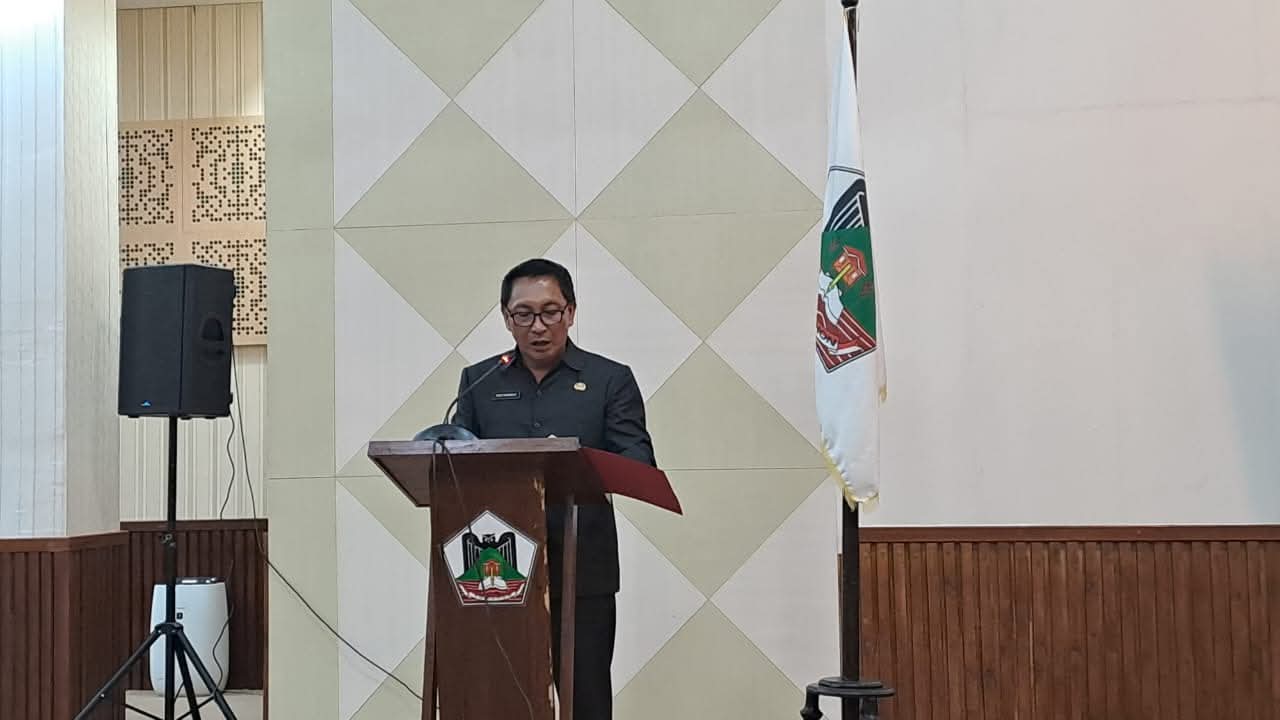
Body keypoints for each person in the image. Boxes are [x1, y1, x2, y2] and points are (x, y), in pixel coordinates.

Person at [452, 257, 655, 719]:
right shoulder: (479, 382)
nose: (538, 326)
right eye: (524, 314)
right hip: (498, 568)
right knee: (502, 698)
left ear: (571, 312)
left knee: (586, 700)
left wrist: (572, 461)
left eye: (550, 312)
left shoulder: (609, 380)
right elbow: (459, 465)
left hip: (583, 567)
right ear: (506, 318)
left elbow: (638, 462)